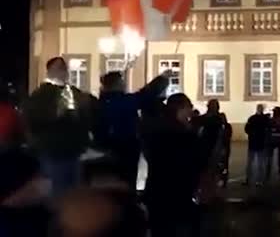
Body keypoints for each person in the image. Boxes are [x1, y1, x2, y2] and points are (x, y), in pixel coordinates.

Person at [23, 57, 95, 198]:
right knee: (56, 193)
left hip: (73, 151)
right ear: (49, 71)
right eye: (59, 67)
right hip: (53, 151)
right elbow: (33, 119)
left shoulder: (73, 92)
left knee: (73, 194)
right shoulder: (41, 94)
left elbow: (86, 115)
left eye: (64, 67)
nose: (63, 71)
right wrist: (56, 115)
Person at [143, 93, 206, 237]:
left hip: (157, 192)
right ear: (181, 108)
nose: (191, 111)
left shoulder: (157, 130)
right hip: (178, 193)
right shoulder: (184, 135)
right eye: (189, 106)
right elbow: (195, 162)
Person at [96, 71, 169, 190]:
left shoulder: (104, 101)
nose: (124, 84)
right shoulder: (119, 101)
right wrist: (162, 79)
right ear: (117, 84)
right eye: (122, 81)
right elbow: (143, 96)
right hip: (124, 146)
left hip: (110, 147)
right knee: (126, 181)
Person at [244, 104, 271, 186]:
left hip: (257, 142)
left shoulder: (255, 118)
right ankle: (251, 179)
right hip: (256, 142)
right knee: (253, 163)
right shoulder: (262, 119)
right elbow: (247, 128)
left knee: (258, 163)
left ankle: (256, 180)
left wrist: (251, 133)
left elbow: (247, 128)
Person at [266, 106, 280, 181]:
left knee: (270, 156)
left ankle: (268, 172)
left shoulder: (272, 120)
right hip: (279, 139)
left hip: (273, 140)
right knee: (279, 157)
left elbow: (270, 129)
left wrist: (273, 131)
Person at [219, 113, 233, 187]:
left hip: (225, 148)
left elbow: (228, 136)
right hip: (218, 148)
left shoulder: (228, 126)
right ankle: (219, 179)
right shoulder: (217, 126)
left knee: (225, 165)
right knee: (219, 165)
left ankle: (224, 180)